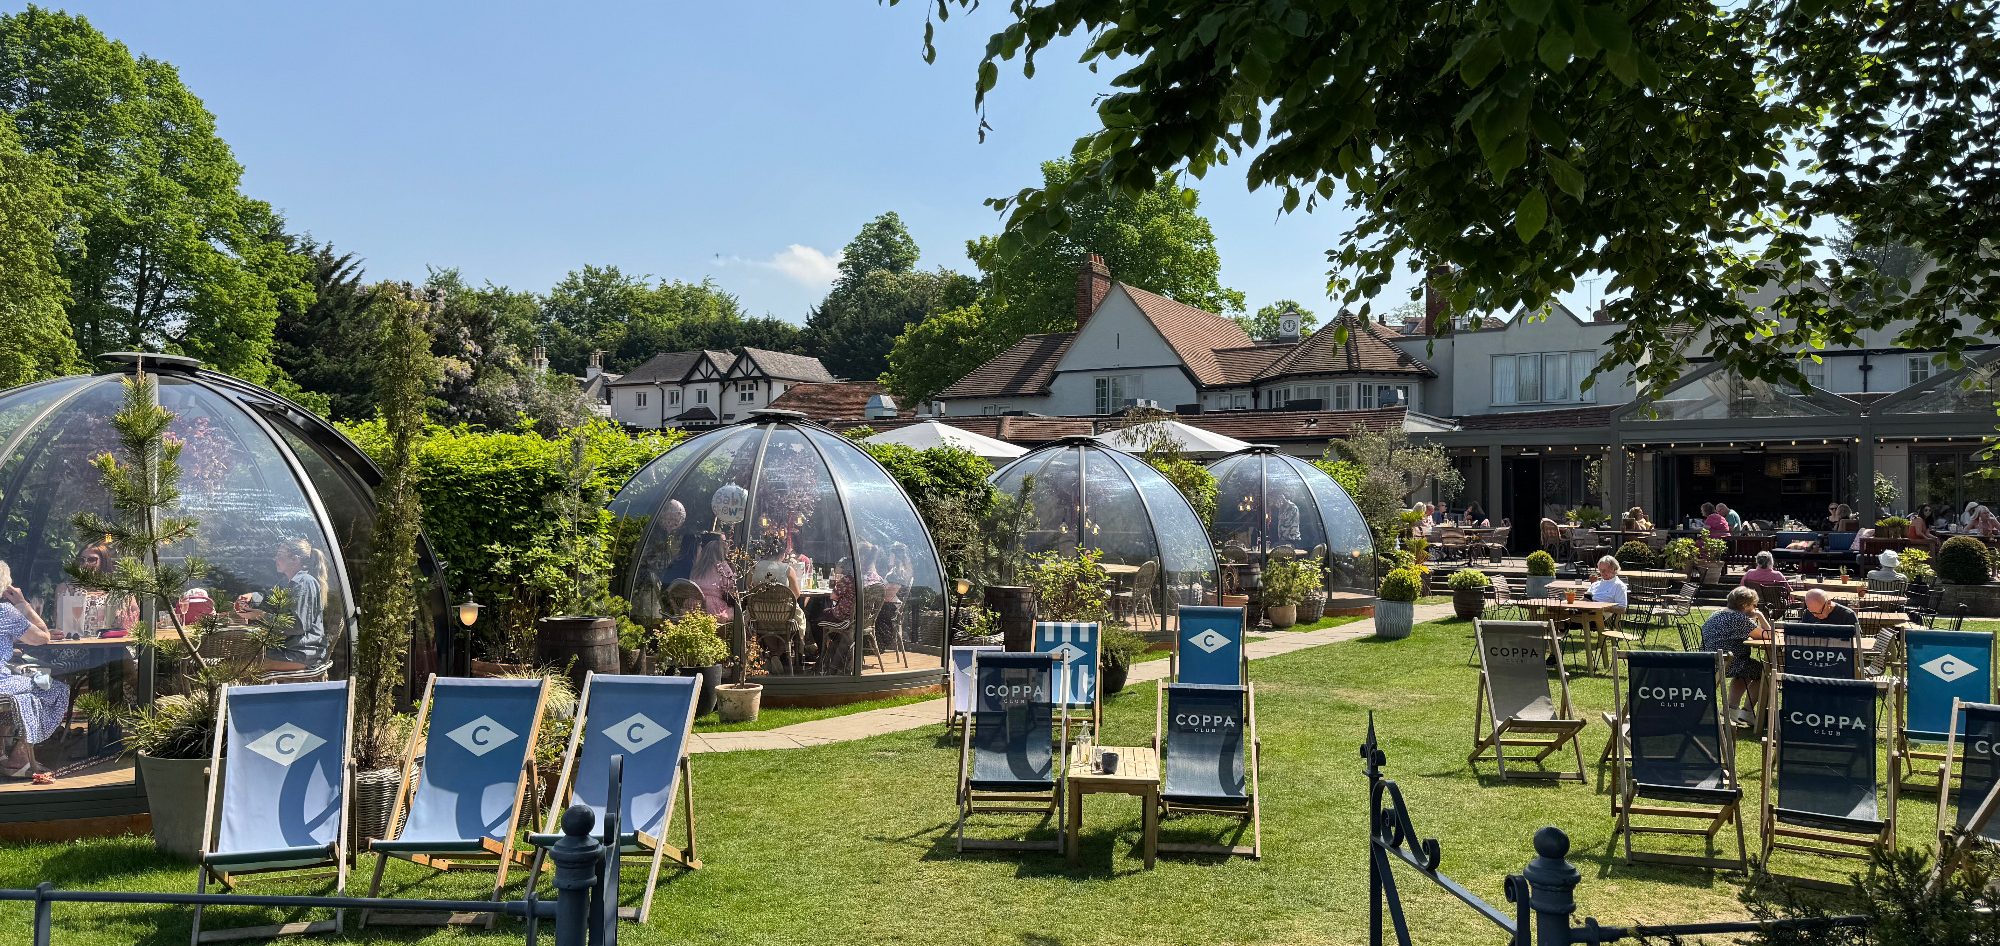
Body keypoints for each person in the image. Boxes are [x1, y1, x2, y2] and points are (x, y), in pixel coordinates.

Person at [0, 560, 69, 778]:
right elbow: (43, 636)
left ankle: (3, 754)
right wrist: (23, 604)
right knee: (56, 689)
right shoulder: (5, 612)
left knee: (22, 690)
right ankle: (19, 757)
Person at [237, 538, 329, 672]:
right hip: (288, 650)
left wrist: (260, 616)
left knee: (236, 667)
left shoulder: (305, 583)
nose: (276, 559)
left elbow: (297, 626)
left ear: (295, 559)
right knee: (236, 659)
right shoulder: (287, 582)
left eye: (280, 555)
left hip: (301, 654)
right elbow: (268, 600)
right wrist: (251, 596)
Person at [1700, 586, 1773, 727]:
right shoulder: (1738, 618)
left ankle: (1732, 709)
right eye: (1754, 605)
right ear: (1745, 605)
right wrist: (1760, 616)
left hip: (1709, 660)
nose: (1755, 608)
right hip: (1727, 663)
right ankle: (1747, 712)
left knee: (1746, 669)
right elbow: (1769, 636)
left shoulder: (1717, 613)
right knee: (1765, 672)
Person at [687, 532, 738, 622]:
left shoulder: (696, 567)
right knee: (739, 613)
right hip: (713, 609)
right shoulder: (722, 567)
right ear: (720, 550)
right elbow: (730, 587)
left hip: (694, 607)